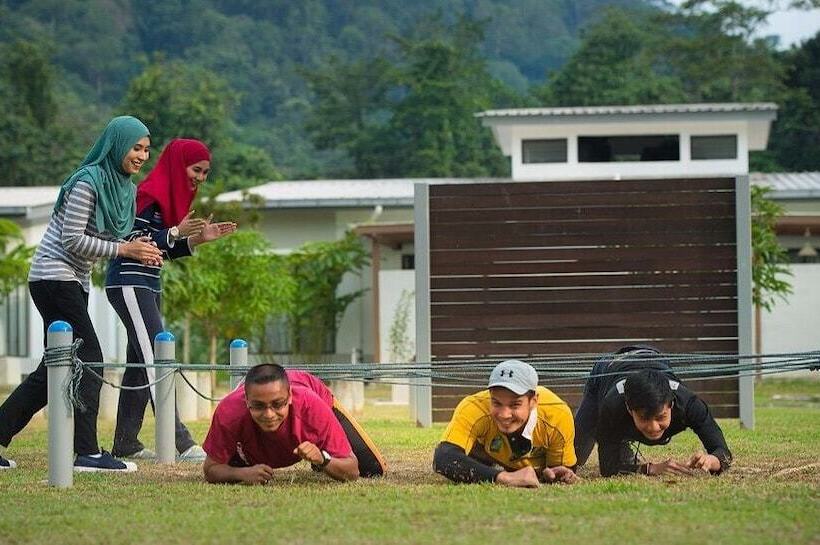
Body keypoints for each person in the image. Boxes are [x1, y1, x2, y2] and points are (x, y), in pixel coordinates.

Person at [0, 116, 163, 472]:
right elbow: (72, 239)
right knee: (89, 357)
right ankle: (87, 452)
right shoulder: (88, 183)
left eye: (146, 149)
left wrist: (142, 245)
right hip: (53, 277)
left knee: (55, 366)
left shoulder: (122, 188)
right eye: (135, 148)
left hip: (74, 280)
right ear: (116, 145)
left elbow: (108, 239)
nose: (142, 156)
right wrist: (124, 250)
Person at [105, 138, 236, 462]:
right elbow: (130, 239)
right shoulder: (147, 194)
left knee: (140, 363)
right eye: (196, 170)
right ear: (179, 165)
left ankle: (126, 443)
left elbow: (161, 248)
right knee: (157, 357)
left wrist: (197, 239)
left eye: (205, 173)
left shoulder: (166, 198)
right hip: (129, 283)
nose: (200, 178)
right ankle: (181, 442)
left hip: (149, 284)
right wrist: (175, 232)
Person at [202, 364, 387, 484]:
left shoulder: (313, 407)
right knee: (233, 465)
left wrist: (323, 459)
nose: (269, 414)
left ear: (290, 397)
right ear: (246, 400)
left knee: (373, 470)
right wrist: (242, 474)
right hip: (251, 436)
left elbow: (352, 470)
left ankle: (321, 452)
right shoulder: (229, 412)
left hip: (316, 400)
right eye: (258, 406)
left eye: (277, 404)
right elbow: (211, 469)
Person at [573, 345, 733, 477]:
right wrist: (650, 469)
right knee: (574, 459)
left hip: (654, 359)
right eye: (644, 418)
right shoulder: (612, 406)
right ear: (629, 409)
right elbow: (608, 469)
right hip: (607, 369)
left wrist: (714, 460)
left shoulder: (689, 405)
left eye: (660, 417)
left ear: (671, 405)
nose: (653, 427)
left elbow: (723, 452)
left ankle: (623, 446)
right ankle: (621, 443)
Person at [433, 359, 578, 488]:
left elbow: (559, 471)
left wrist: (553, 474)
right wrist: (504, 477)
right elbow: (444, 457)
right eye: (496, 403)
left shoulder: (557, 414)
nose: (504, 415)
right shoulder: (474, 407)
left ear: (533, 401)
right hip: (488, 454)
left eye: (515, 405)